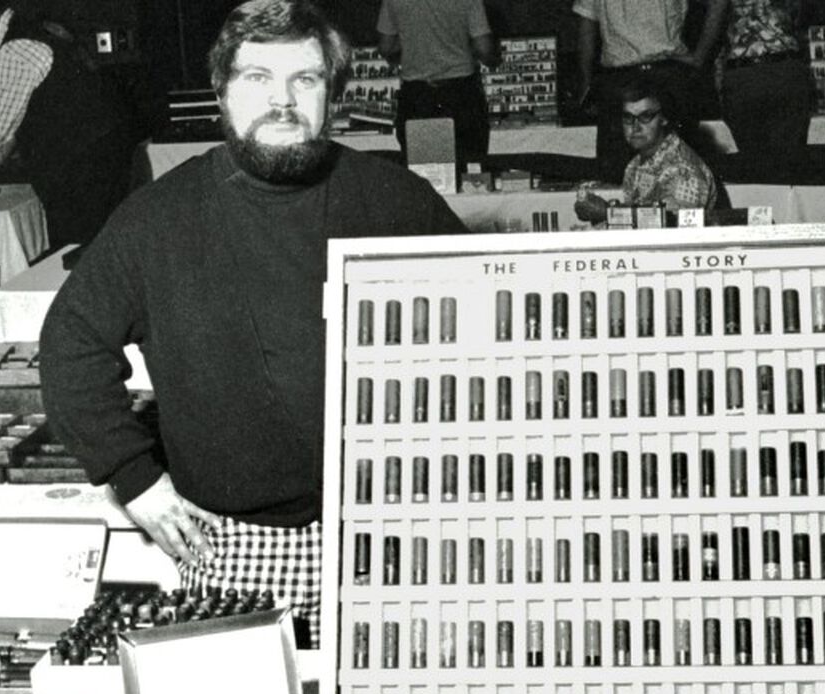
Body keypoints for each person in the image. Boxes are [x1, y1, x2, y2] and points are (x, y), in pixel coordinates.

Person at [38, 0, 467, 648]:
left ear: (335, 94)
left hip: (391, 534)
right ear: (222, 94)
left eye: (305, 79)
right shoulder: (158, 218)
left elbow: (493, 337)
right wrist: (133, 476)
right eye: (257, 78)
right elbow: (71, 343)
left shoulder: (398, 201)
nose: (283, 100)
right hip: (232, 546)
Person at [0, 1, 139, 246]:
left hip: (81, 161)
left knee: (76, 246)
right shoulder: (38, 28)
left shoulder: (16, 49)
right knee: (105, 243)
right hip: (107, 148)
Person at [573, 0, 727, 181]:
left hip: (654, 76)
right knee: (627, 173)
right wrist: (700, 58)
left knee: (677, 171)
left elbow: (586, 25)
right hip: (640, 77)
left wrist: (587, 82)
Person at [574, 76, 718, 222]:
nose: (635, 127)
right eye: (628, 117)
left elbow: (672, 232)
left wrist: (608, 213)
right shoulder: (637, 163)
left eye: (645, 116)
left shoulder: (683, 170)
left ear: (664, 118)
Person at [376, 0, 499, 168]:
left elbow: (386, 47)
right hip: (461, 94)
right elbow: (484, 48)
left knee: (422, 173)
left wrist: (412, 42)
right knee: (471, 173)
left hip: (417, 96)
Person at [712, 0, 815, 158]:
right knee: (789, 159)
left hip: (743, 72)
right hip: (783, 67)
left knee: (754, 161)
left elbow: (713, 22)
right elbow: (799, 17)